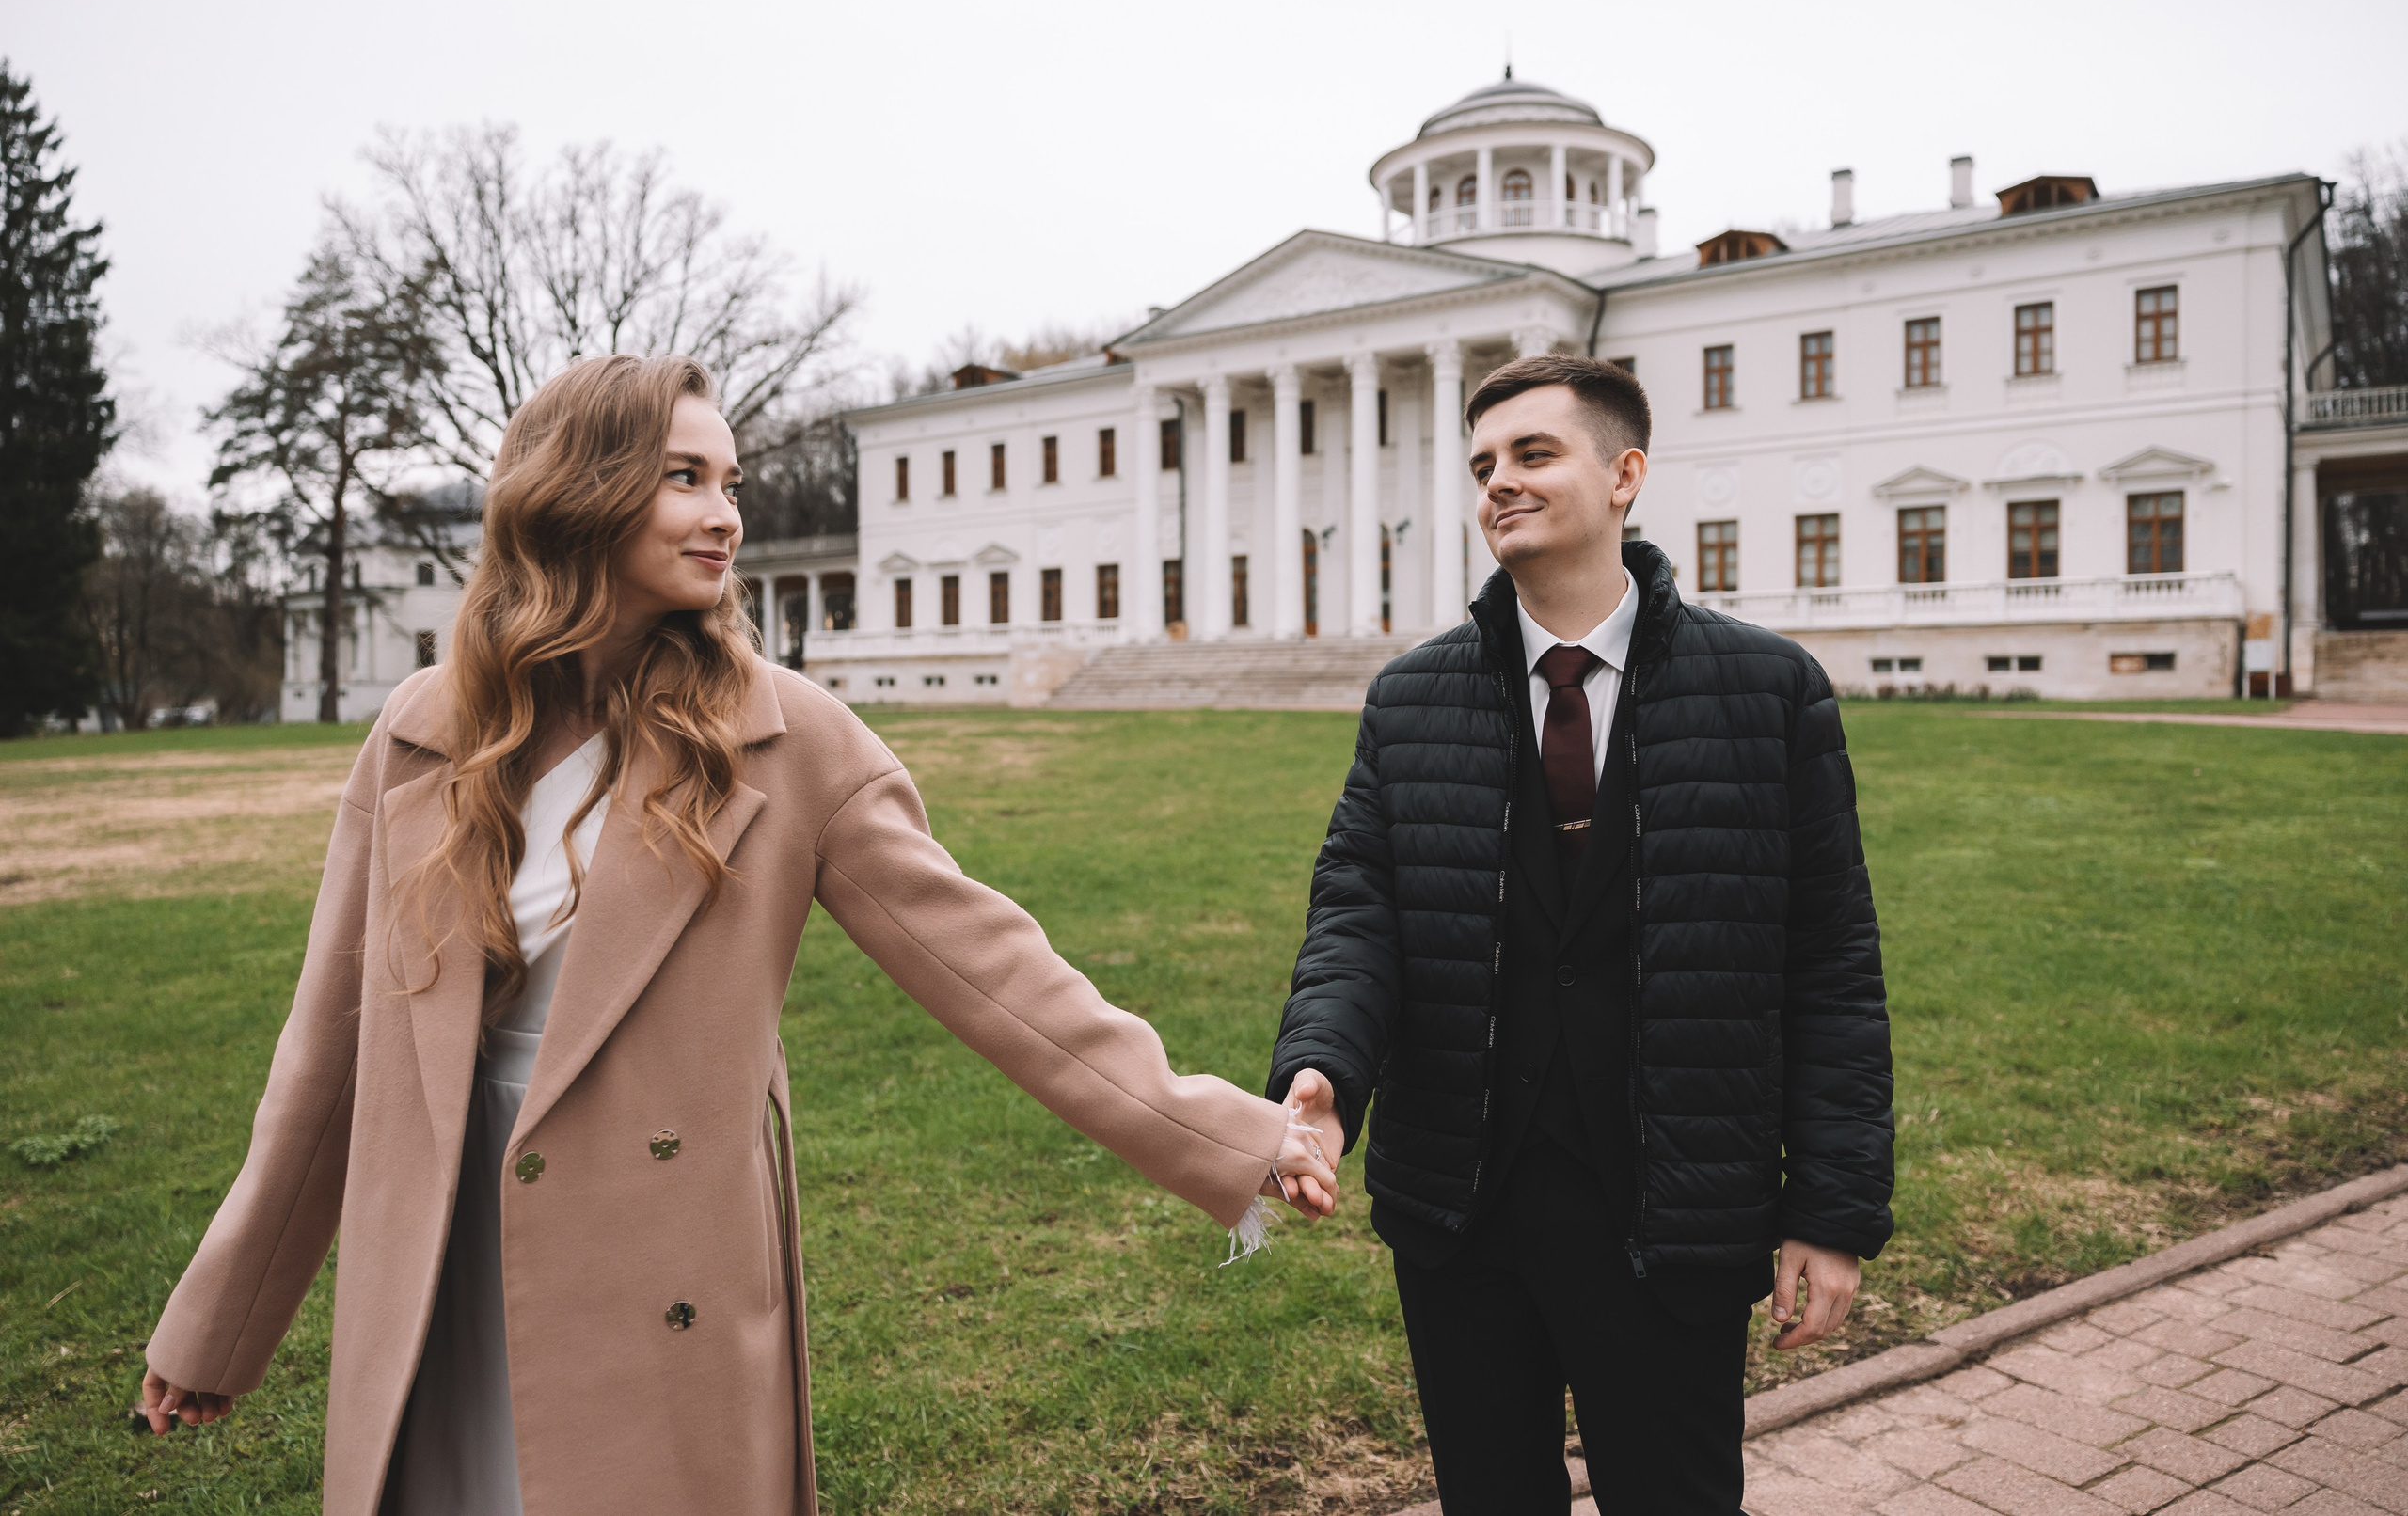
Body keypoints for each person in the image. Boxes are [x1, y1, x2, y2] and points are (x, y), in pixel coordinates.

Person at [138, 355, 1340, 1516]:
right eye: (685, 479)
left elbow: (996, 970)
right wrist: (220, 1322)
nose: (726, 518)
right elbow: (326, 1051)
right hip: (438, 1236)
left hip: (659, 1256)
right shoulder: (423, 728)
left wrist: (1226, 1132)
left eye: (733, 486)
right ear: (578, 492)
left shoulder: (789, 738)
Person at [1268, 354, 1893, 1514]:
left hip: (1674, 1205)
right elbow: (1359, 911)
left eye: (1533, 454)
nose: (1498, 482)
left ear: (1625, 476)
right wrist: (1323, 1070)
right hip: (1465, 1210)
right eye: (1482, 465)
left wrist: (1831, 1210)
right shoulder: (1411, 701)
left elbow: (1830, 967)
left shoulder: (1768, 692)